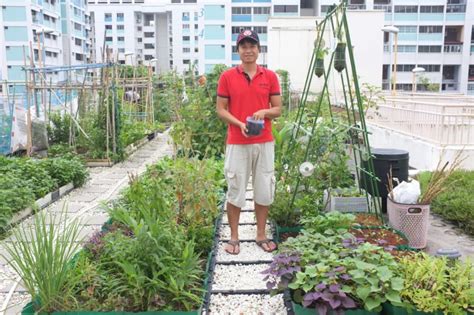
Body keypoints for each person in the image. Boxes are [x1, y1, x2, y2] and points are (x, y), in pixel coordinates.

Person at [216, 29, 282, 255]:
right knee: (235, 189)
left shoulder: (270, 76)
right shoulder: (227, 77)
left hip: (264, 141)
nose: (248, 50)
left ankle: (261, 234)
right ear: (238, 51)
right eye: (243, 46)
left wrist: (265, 111)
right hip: (237, 141)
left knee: (264, 189)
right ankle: (234, 237)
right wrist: (239, 124)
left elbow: (278, 109)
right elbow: (220, 110)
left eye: (252, 46)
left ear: (259, 49)